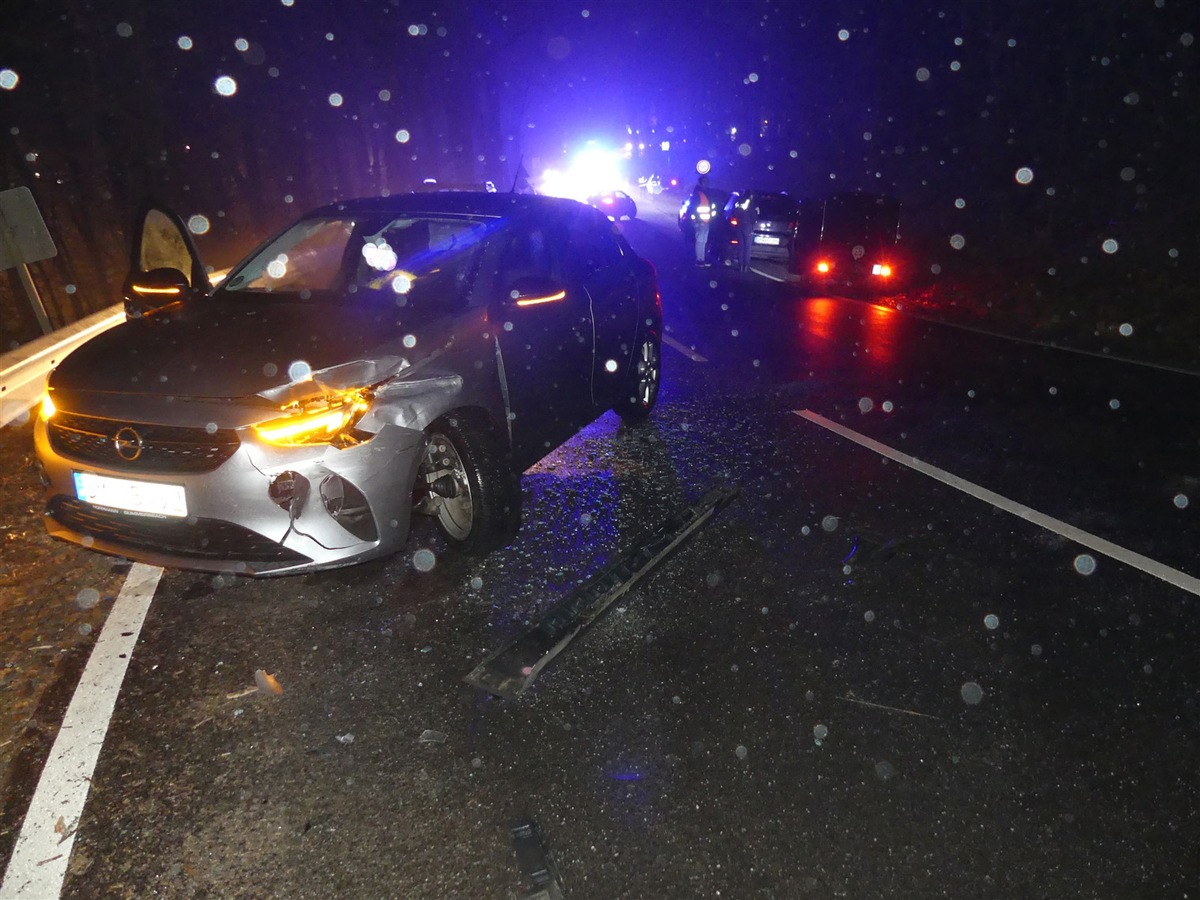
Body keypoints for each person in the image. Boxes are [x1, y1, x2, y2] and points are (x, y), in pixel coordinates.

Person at [688, 174, 714, 266]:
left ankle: (701, 259)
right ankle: (699, 260)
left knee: (703, 241)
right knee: (700, 241)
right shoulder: (699, 194)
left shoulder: (703, 193)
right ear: (702, 183)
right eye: (705, 182)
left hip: (705, 221)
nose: (707, 184)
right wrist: (696, 220)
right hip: (701, 222)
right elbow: (693, 208)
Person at [734, 195, 757, 272]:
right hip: (748, 227)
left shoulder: (739, 203)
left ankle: (740, 266)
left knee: (741, 247)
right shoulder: (751, 205)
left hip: (739, 226)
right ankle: (745, 266)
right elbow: (754, 218)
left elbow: (735, 213)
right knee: (747, 248)